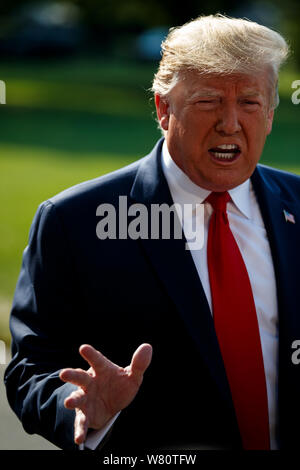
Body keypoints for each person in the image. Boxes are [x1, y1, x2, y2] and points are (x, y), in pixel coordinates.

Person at [4, 14, 300, 451]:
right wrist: (79, 403)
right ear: (164, 110)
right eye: (208, 101)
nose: (230, 123)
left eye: (251, 103)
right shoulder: (76, 221)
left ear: (271, 115)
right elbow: (31, 367)